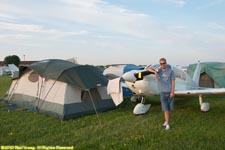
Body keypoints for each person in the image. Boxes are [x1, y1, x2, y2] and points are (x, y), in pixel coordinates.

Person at [147, 58, 175, 130]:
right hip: (162, 92)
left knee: (168, 109)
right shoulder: (158, 70)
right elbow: (147, 68)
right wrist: (155, 72)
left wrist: (172, 92)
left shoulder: (171, 71)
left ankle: (166, 121)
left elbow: (173, 82)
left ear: (166, 63)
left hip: (169, 92)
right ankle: (167, 123)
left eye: (164, 63)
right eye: (161, 63)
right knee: (165, 109)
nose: (162, 64)